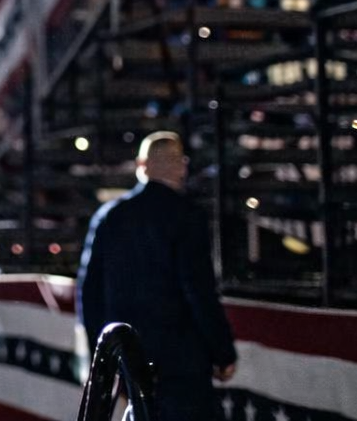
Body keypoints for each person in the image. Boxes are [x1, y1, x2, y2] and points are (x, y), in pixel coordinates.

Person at [77, 132, 237, 421]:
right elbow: (198, 290)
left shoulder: (109, 216)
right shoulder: (188, 216)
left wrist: (101, 362)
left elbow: (89, 295)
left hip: (129, 359)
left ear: (142, 165)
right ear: (181, 166)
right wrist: (222, 351)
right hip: (182, 364)